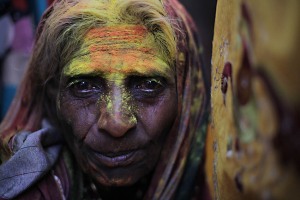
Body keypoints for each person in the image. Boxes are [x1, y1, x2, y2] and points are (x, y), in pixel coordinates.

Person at [0, 0, 209, 199]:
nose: (116, 124)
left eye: (149, 85)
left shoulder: (230, 179)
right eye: (83, 86)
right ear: (54, 93)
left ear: (186, 92)